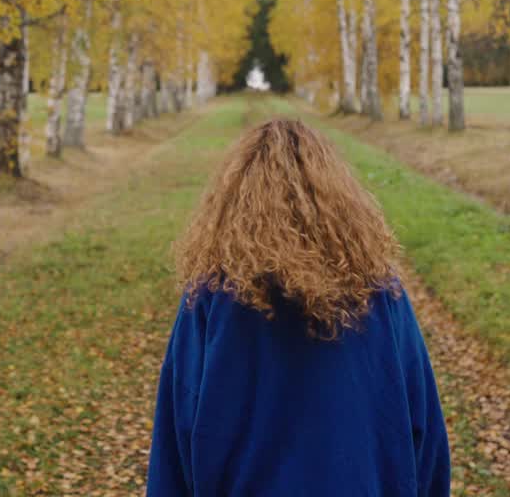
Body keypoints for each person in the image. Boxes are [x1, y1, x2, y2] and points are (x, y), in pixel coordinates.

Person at [146, 118, 450, 496]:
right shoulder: (379, 292)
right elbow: (426, 432)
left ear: (233, 203)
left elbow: (175, 441)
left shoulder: (211, 296)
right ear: (339, 197)